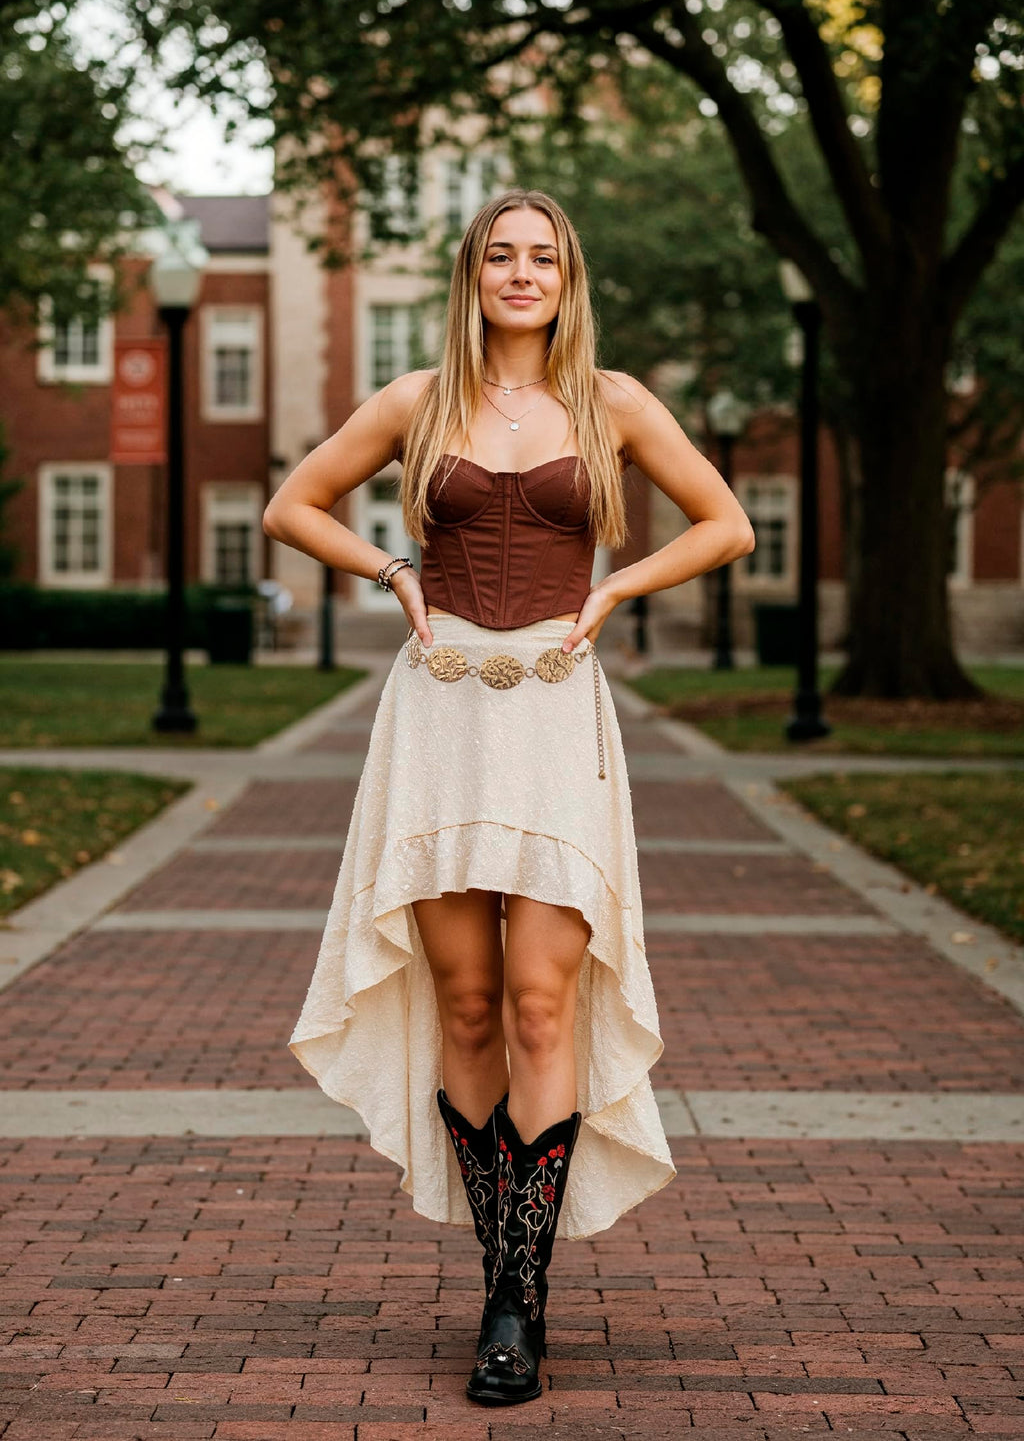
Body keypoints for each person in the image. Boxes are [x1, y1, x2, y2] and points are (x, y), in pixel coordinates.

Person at [263, 187, 755, 1406]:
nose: (522, 273)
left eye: (542, 256)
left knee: (543, 1001)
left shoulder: (614, 400)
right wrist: (389, 569)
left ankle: (513, 1300)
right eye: (501, 254)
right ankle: (503, 1265)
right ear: (472, 273)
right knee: (468, 1003)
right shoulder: (417, 402)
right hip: (436, 717)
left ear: (566, 276)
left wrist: (611, 592)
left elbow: (727, 523)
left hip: (550, 713)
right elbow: (290, 504)